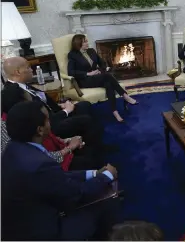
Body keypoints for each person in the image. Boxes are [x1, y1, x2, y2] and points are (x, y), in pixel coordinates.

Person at [1, 101, 121, 240]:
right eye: (47, 119)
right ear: (40, 130)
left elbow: (58, 179)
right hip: (43, 232)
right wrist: (107, 175)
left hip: (21, 222)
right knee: (105, 201)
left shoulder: (14, 148)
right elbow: (77, 194)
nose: (50, 122)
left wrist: (93, 173)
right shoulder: (37, 164)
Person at [2, 57, 105, 147]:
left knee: (84, 105)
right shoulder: (13, 93)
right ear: (18, 72)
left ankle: (85, 141)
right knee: (86, 120)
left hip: (54, 113)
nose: (31, 70)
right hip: (49, 126)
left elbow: (42, 101)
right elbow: (36, 119)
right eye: (28, 67)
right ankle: (91, 149)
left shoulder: (23, 85)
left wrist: (61, 106)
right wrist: (66, 112)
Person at [1, 86, 104, 171]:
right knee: (90, 161)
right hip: (50, 165)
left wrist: (67, 141)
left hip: (56, 150)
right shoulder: (19, 127)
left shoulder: (17, 119)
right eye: (29, 100)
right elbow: (41, 157)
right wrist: (69, 147)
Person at [68, 34, 138, 123]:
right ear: (79, 43)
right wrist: (88, 73)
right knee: (108, 76)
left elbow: (102, 63)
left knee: (108, 84)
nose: (87, 43)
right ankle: (125, 96)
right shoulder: (73, 55)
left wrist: (100, 70)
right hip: (85, 80)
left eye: (86, 41)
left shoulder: (91, 51)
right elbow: (70, 72)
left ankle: (115, 112)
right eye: (85, 41)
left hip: (97, 77)